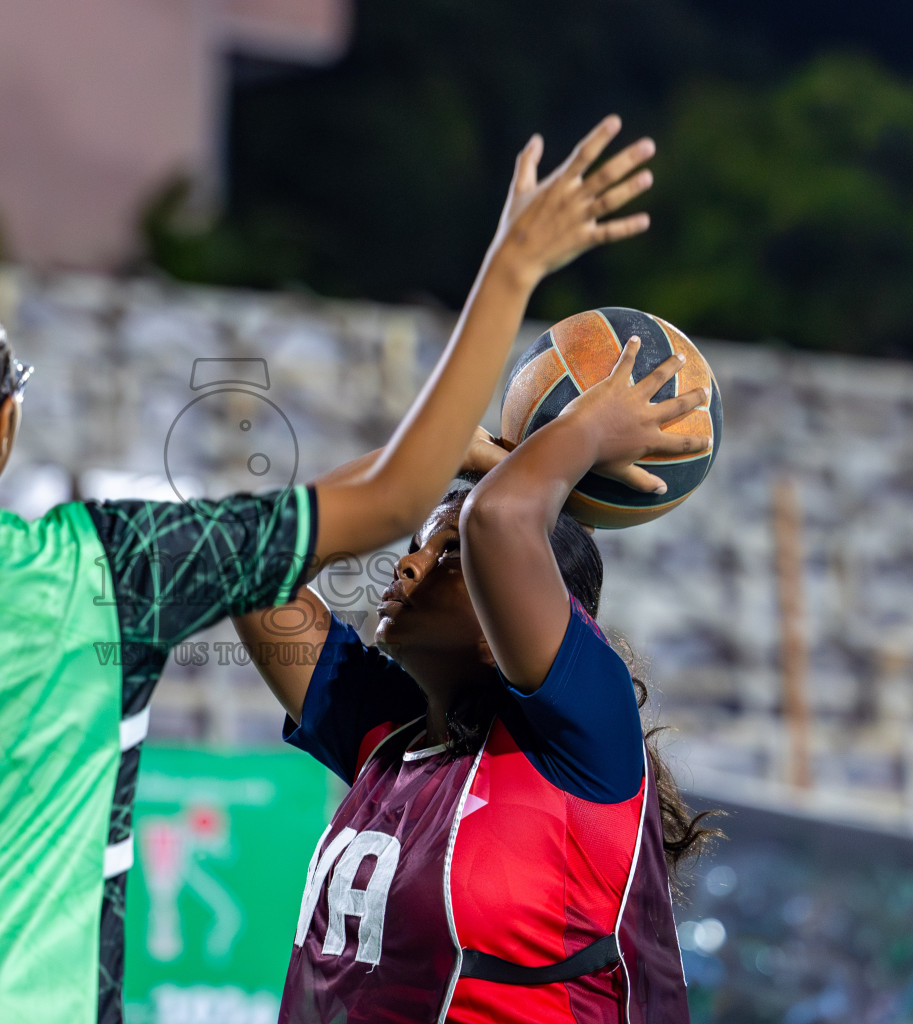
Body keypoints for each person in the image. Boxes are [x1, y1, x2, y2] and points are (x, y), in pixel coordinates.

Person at [0, 115, 666, 1024]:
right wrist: (514, 341)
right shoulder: (125, 585)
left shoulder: (584, 735)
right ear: (3, 424)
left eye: (447, 556)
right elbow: (293, 562)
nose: (412, 556)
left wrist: (551, 443)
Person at [232, 341, 719, 1024]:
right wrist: (431, 458)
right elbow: (249, 558)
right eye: (413, 547)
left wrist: (583, 431)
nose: (407, 569)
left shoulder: (586, 737)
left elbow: (501, 517)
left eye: (448, 556)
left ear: (512, 614)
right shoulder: (389, 740)